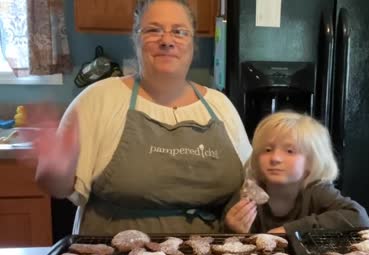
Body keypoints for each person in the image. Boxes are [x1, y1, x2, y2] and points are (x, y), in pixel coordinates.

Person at [31, 0, 251, 235]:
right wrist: (55, 171)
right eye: (153, 30)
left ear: (193, 44)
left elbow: (251, 185)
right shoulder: (98, 100)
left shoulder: (220, 106)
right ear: (136, 40)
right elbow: (59, 187)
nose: (167, 41)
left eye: (179, 32)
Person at [225, 111, 369, 234]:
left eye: (290, 151)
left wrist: (290, 230)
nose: (275, 158)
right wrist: (234, 229)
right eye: (268, 150)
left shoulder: (317, 192)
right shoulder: (248, 195)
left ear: (312, 161)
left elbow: (359, 218)